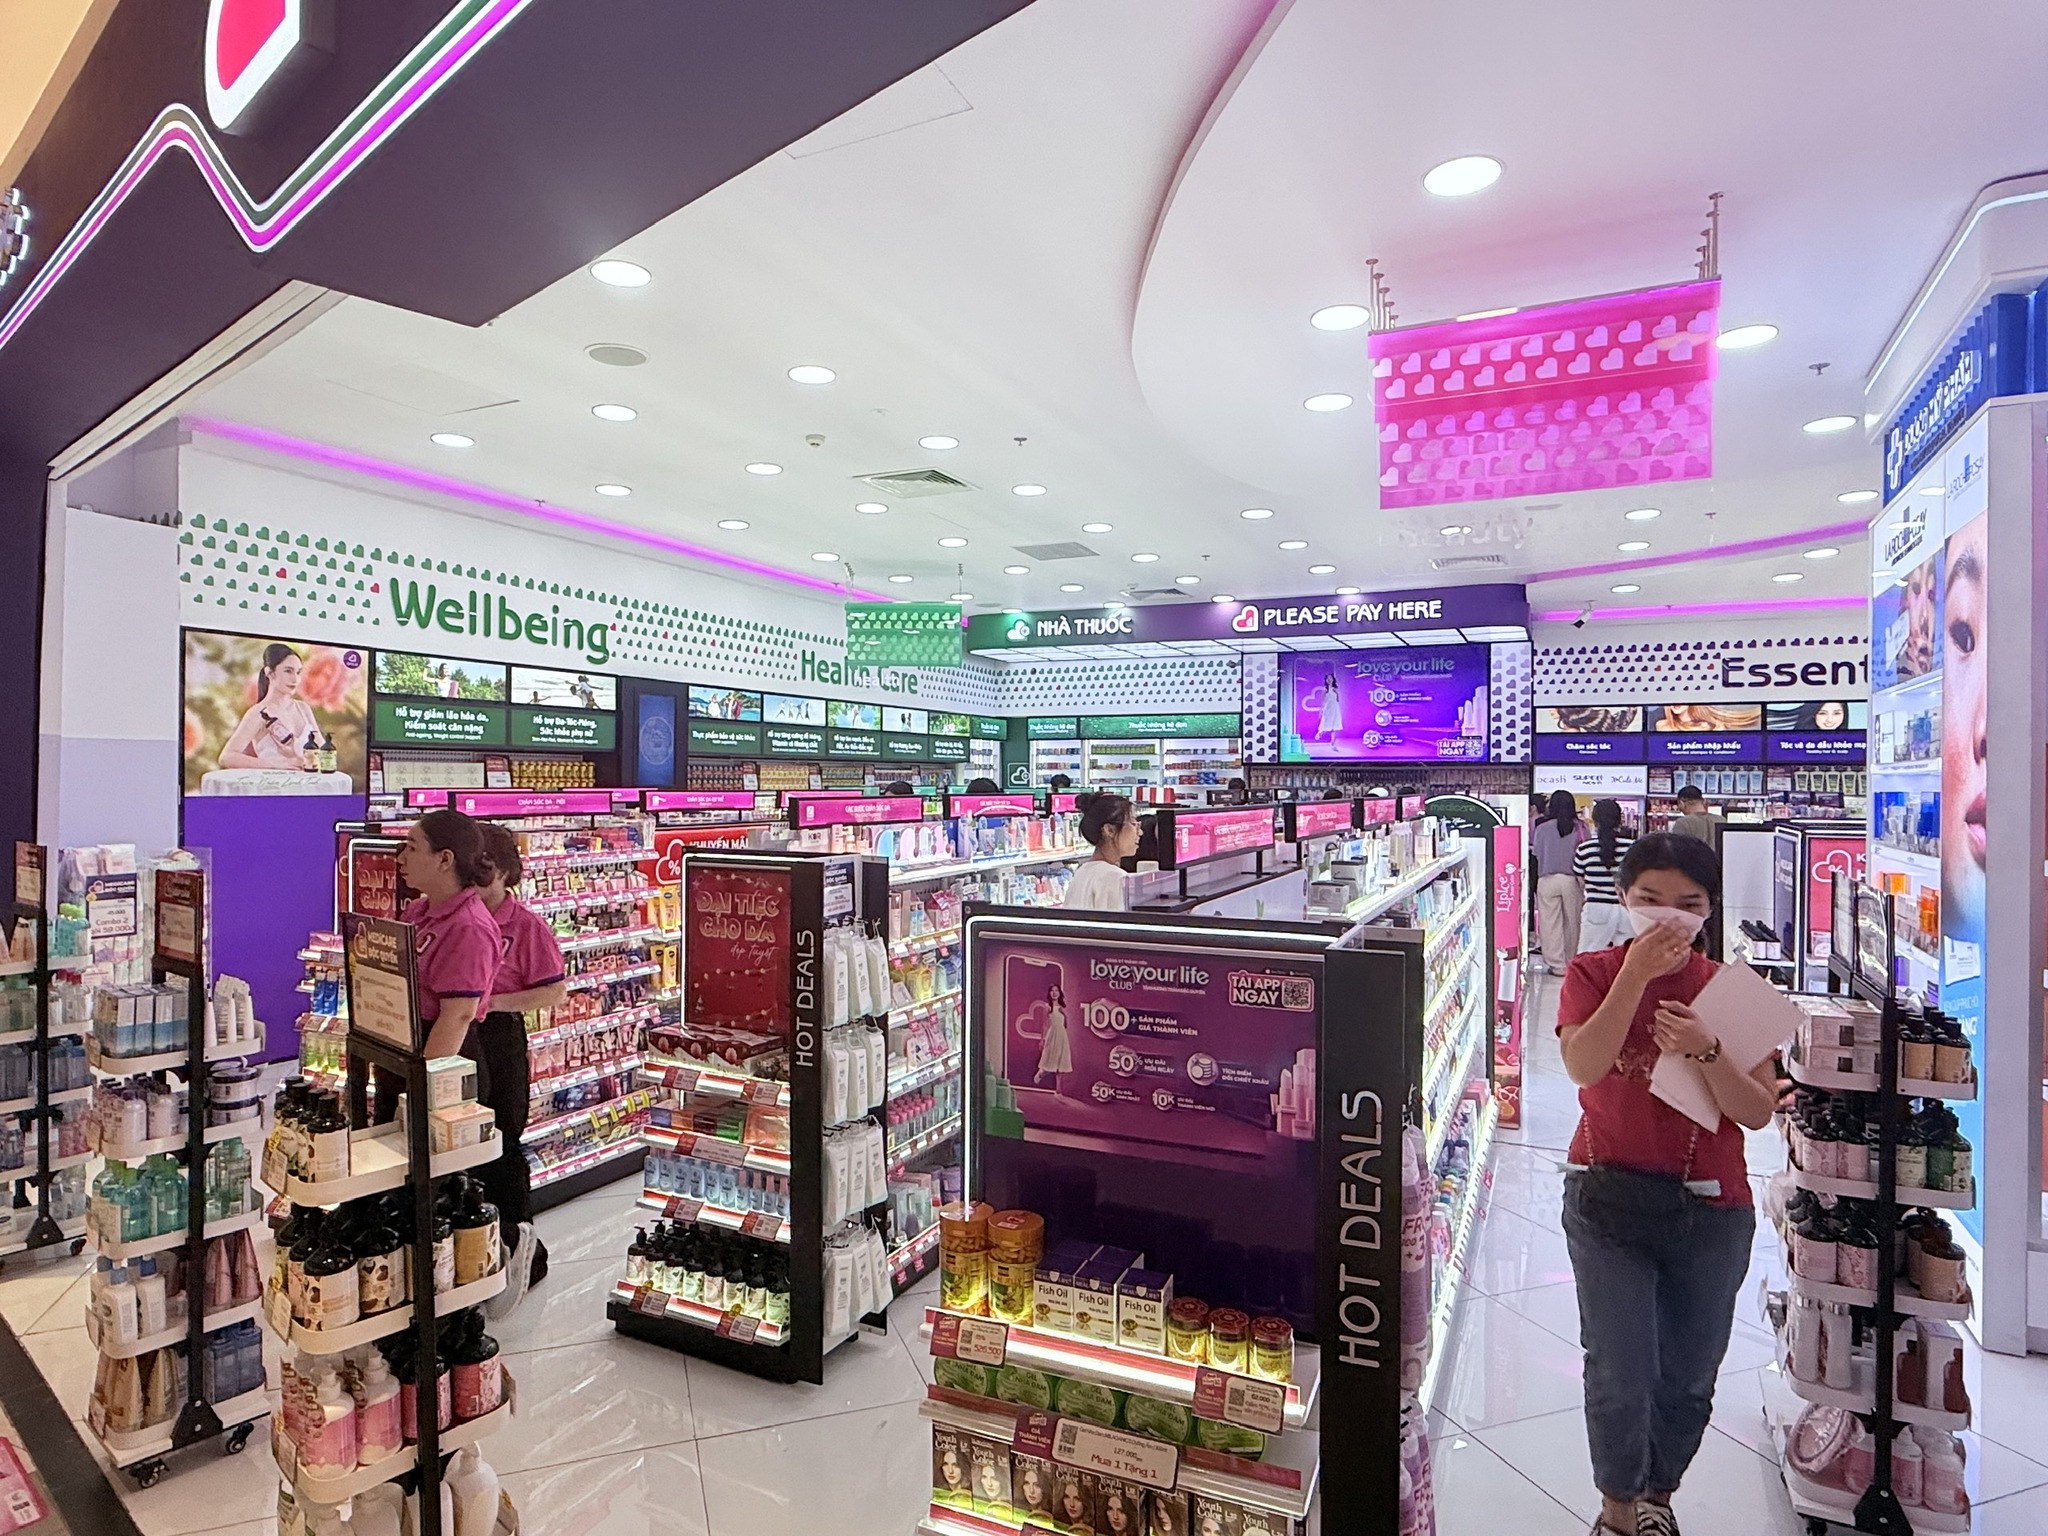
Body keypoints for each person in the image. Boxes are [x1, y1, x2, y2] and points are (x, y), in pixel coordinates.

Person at [1556, 834, 1777, 1536]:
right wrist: (1634, 978)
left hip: (1711, 1209)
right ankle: (1618, 1510)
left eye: (1687, 903)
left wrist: (1706, 1050)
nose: (1667, 916)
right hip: (1606, 1198)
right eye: (1649, 899)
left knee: (1688, 1376)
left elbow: (1757, 1111)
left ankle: (1659, 1495)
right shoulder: (1592, 973)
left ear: (1709, 909)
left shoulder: (1737, 993)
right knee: (1619, 1369)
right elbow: (1585, 1065)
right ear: (1624, 899)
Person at [475, 822, 568, 1310]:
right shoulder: (454, 917)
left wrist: (491, 1002)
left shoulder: (526, 926)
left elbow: (554, 991)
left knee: (503, 1142)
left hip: (498, 1036)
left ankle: (523, 1251)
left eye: (485, 873)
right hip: (457, 1036)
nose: (475, 883)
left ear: (505, 873)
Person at [393, 807, 502, 1060]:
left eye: (412, 848)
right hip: (404, 1041)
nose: (401, 858)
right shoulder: (417, 910)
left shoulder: (469, 928)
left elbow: (458, 1014)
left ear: (444, 859)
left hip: (440, 1051)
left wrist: (424, 1076)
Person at [217, 643, 319, 770]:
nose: (295, 679)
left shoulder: (303, 709)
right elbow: (226, 757)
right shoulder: (259, 713)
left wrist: (297, 755)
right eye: (288, 671)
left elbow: (322, 751)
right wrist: (275, 765)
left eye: (298, 672)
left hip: (309, 780)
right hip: (274, 781)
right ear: (269, 672)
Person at [1532, 790, 1586, 972]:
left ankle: (1556, 964)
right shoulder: (1581, 828)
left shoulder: (1542, 828)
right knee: (1573, 923)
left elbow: (1537, 853)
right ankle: (1571, 961)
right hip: (1572, 880)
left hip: (1547, 879)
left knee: (1549, 923)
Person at [1574, 798, 1635, 952]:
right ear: (1619, 820)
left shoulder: (1584, 849)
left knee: (1588, 955)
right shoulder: (1633, 848)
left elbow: (1580, 880)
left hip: (1596, 908)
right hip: (1627, 909)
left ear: (1594, 821)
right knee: (1627, 955)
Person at [1063, 792, 1138, 910]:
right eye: (1134, 824)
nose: (1139, 832)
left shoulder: (1082, 871)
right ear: (1109, 830)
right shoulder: (1115, 877)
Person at [1033, 982, 1071, 1085]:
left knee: (1061, 1064)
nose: (1054, 993)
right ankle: (1040, 1074)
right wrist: (1042, 1039)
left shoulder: (1063, 1007)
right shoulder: (1047, 1007)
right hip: (1052, 1034)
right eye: (1052, 991)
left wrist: (1064, 1014)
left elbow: (1066, 1025)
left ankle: (1058, 1089)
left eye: (1056, 991)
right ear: (1049, 993)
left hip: (1062, 1035)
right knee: (1050, 1062)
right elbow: (1045, 1025)